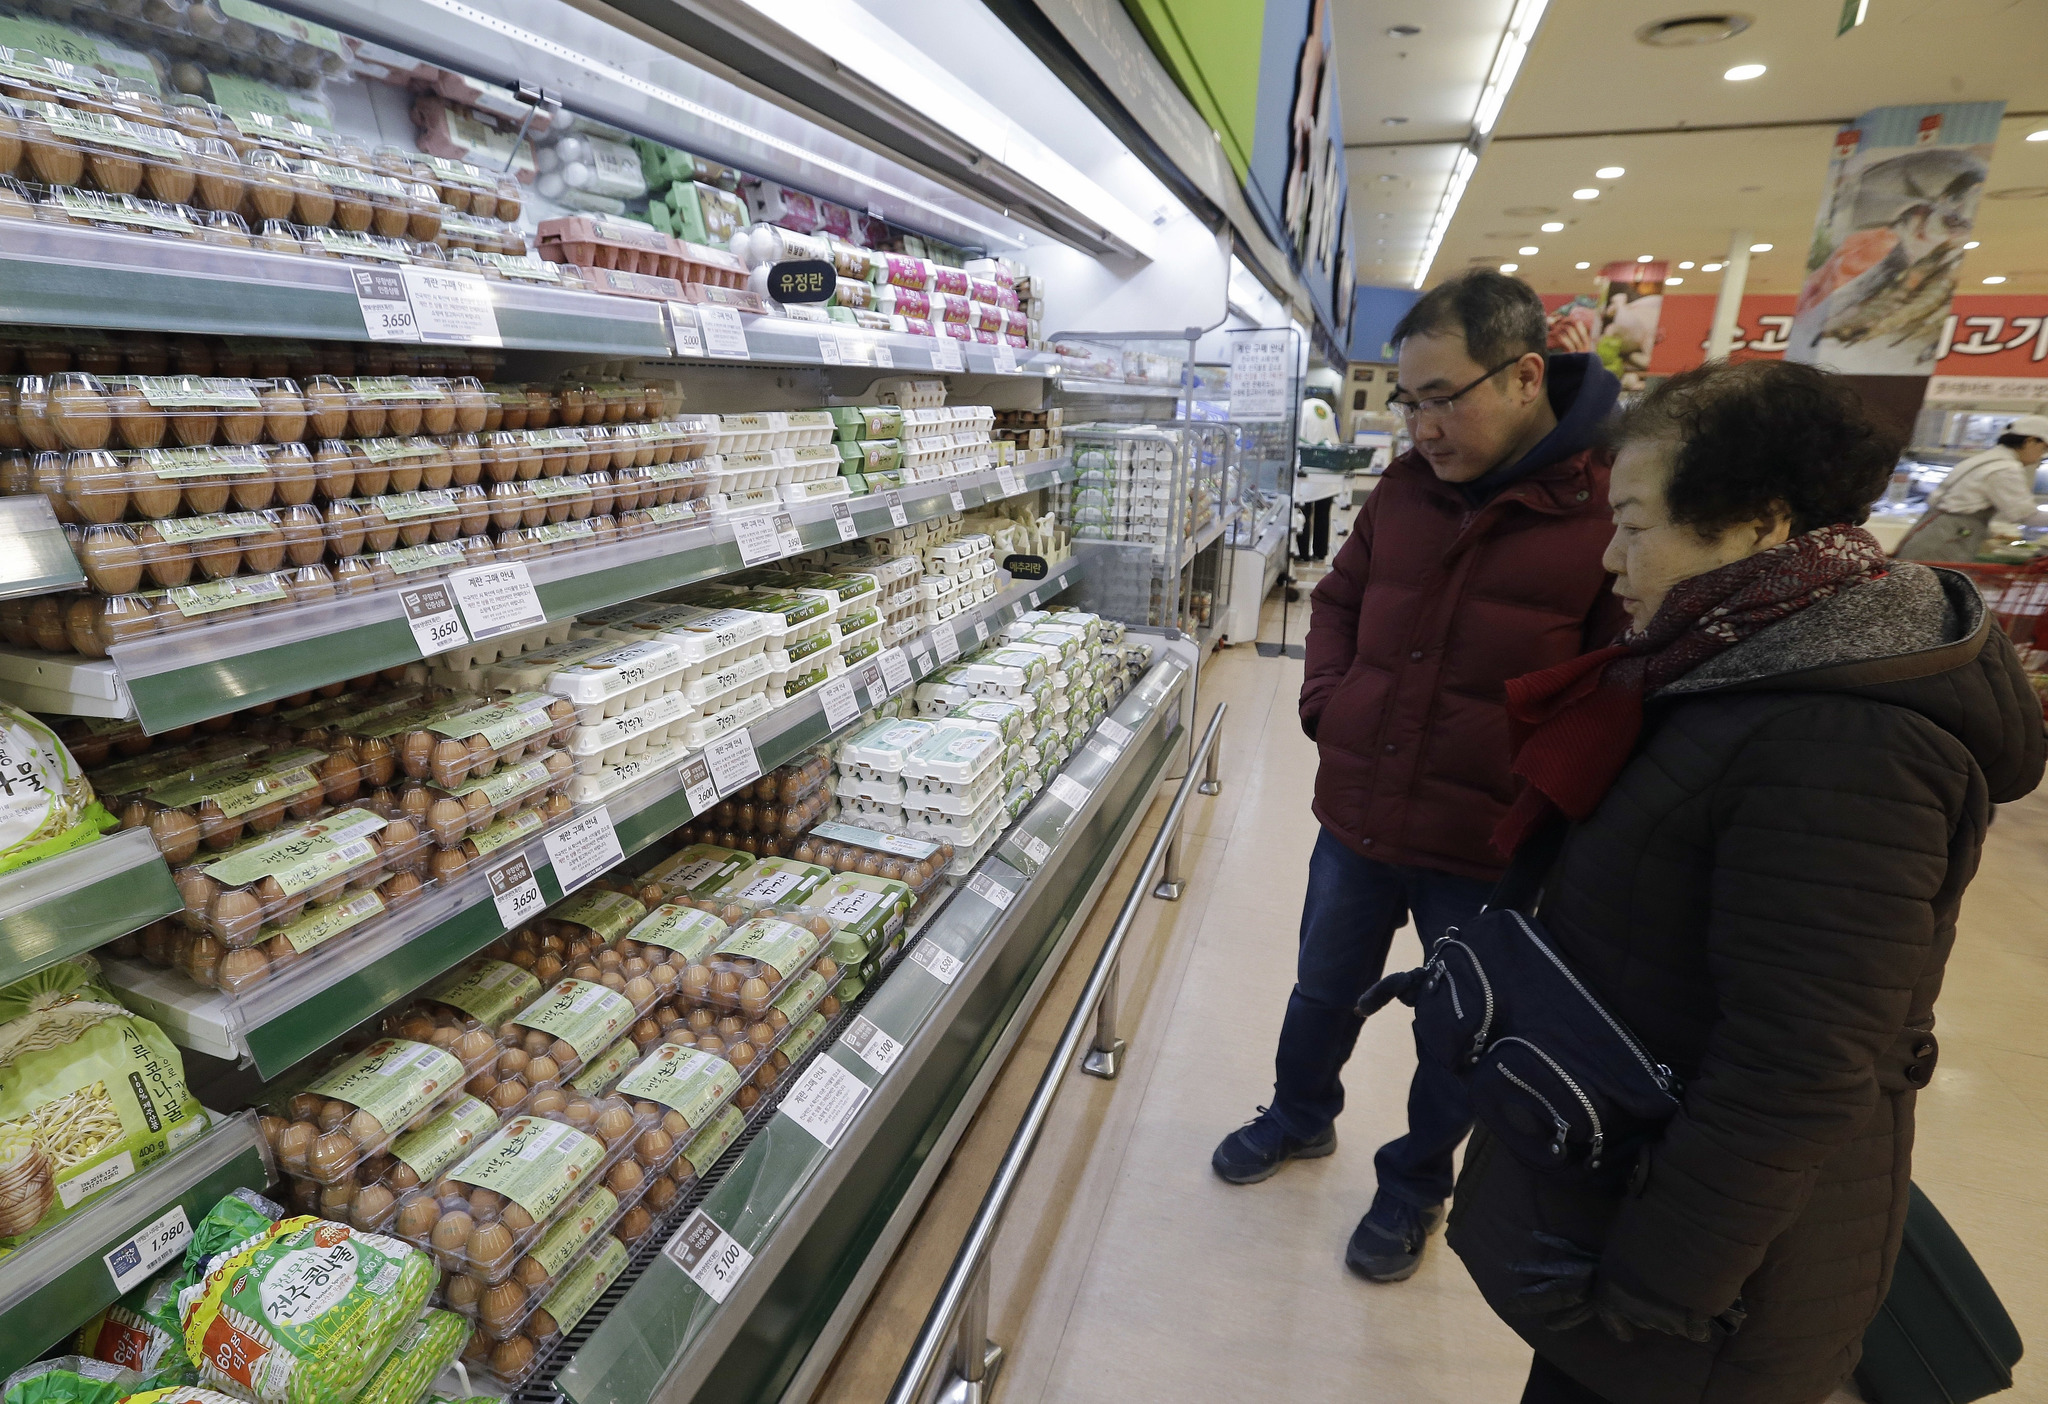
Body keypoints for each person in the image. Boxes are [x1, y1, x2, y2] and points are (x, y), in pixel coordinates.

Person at [1449, 359, 2045, 1404]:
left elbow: (1796, 1065)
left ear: (1759, 524)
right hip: (1638, 1186)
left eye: (1634, 525)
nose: (1606, 556)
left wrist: (1649, 1291)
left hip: (1701, 1286)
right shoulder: (1734, 660)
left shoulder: (1840, 739)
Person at [1211, 269, 1628, 1282]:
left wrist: (1539, 793)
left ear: (1525, 376)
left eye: (1441, 397)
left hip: (1485, 841)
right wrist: (1327, 703)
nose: (1419, 425)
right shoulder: (1405, 488)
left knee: (1458, 1028)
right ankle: (1299, 1116)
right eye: (1407, 398)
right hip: (1360, 813)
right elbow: (1342, 601)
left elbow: (1618, 674)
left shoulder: (1607, 507)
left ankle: (1412, 1188)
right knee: (1321, 990)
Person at [1892, 414, 2047, 561]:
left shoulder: (1985, 459)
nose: (2041, 455)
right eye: (2044, 449)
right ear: (2030, 441)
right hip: (1951, 538)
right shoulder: (2005, 468)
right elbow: (2026, 515)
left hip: (1933, 530)